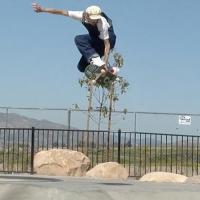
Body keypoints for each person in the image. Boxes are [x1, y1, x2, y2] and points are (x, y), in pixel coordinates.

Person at [32, 3, 117, 74]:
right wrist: (43, 9)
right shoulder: (80, 15)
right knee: (82, 67)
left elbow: (107, 44)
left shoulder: (102, 22)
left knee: (79, 39)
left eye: (96, 20)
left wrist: (104, 62)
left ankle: (100, 64)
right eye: (93, 20)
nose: (94, 22)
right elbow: (62, 12)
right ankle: (107, 70)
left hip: (108, 40)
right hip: (96, 42)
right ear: (87, 15)